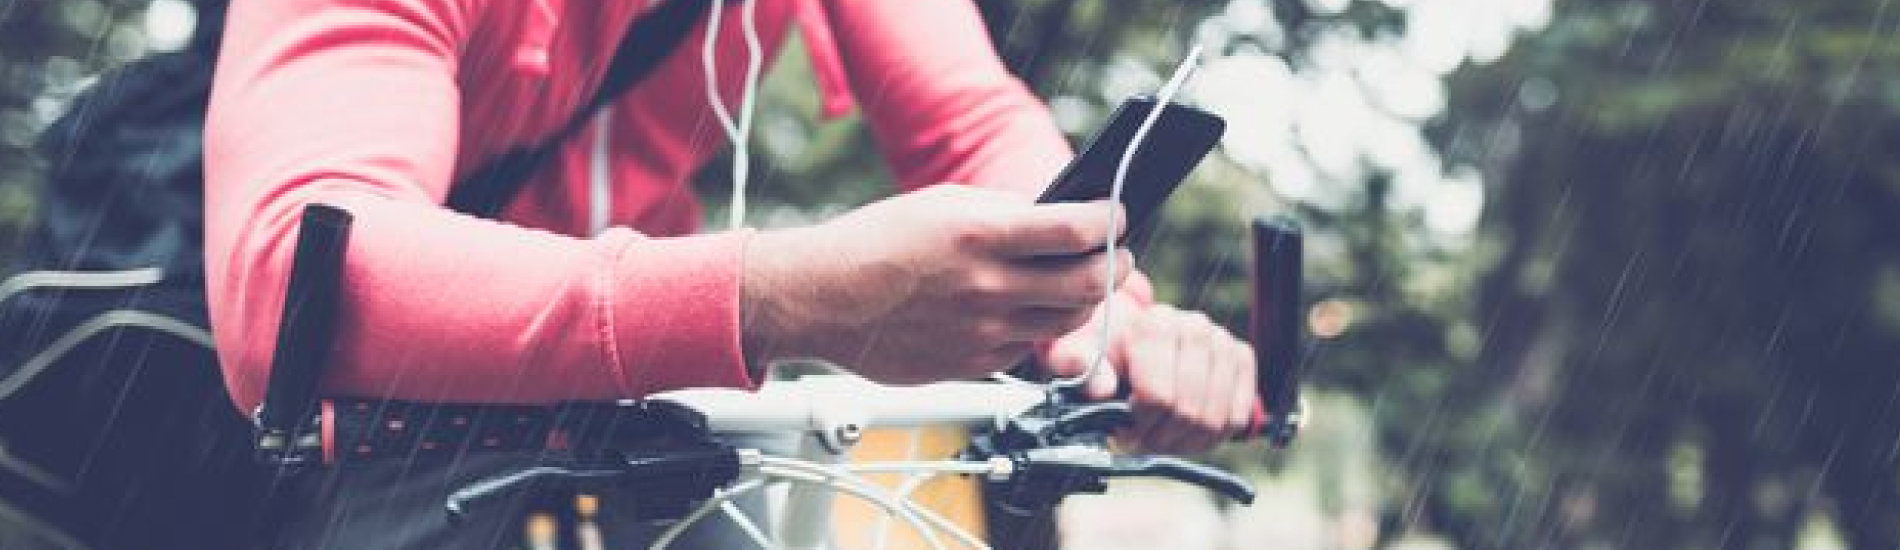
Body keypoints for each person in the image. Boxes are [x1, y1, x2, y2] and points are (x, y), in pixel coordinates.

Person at [204, 0, 1260, 547]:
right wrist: (779, 296)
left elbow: (968, 120)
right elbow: (299, 279)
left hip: (640, 408)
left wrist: (1104, 318)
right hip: (391, 428)